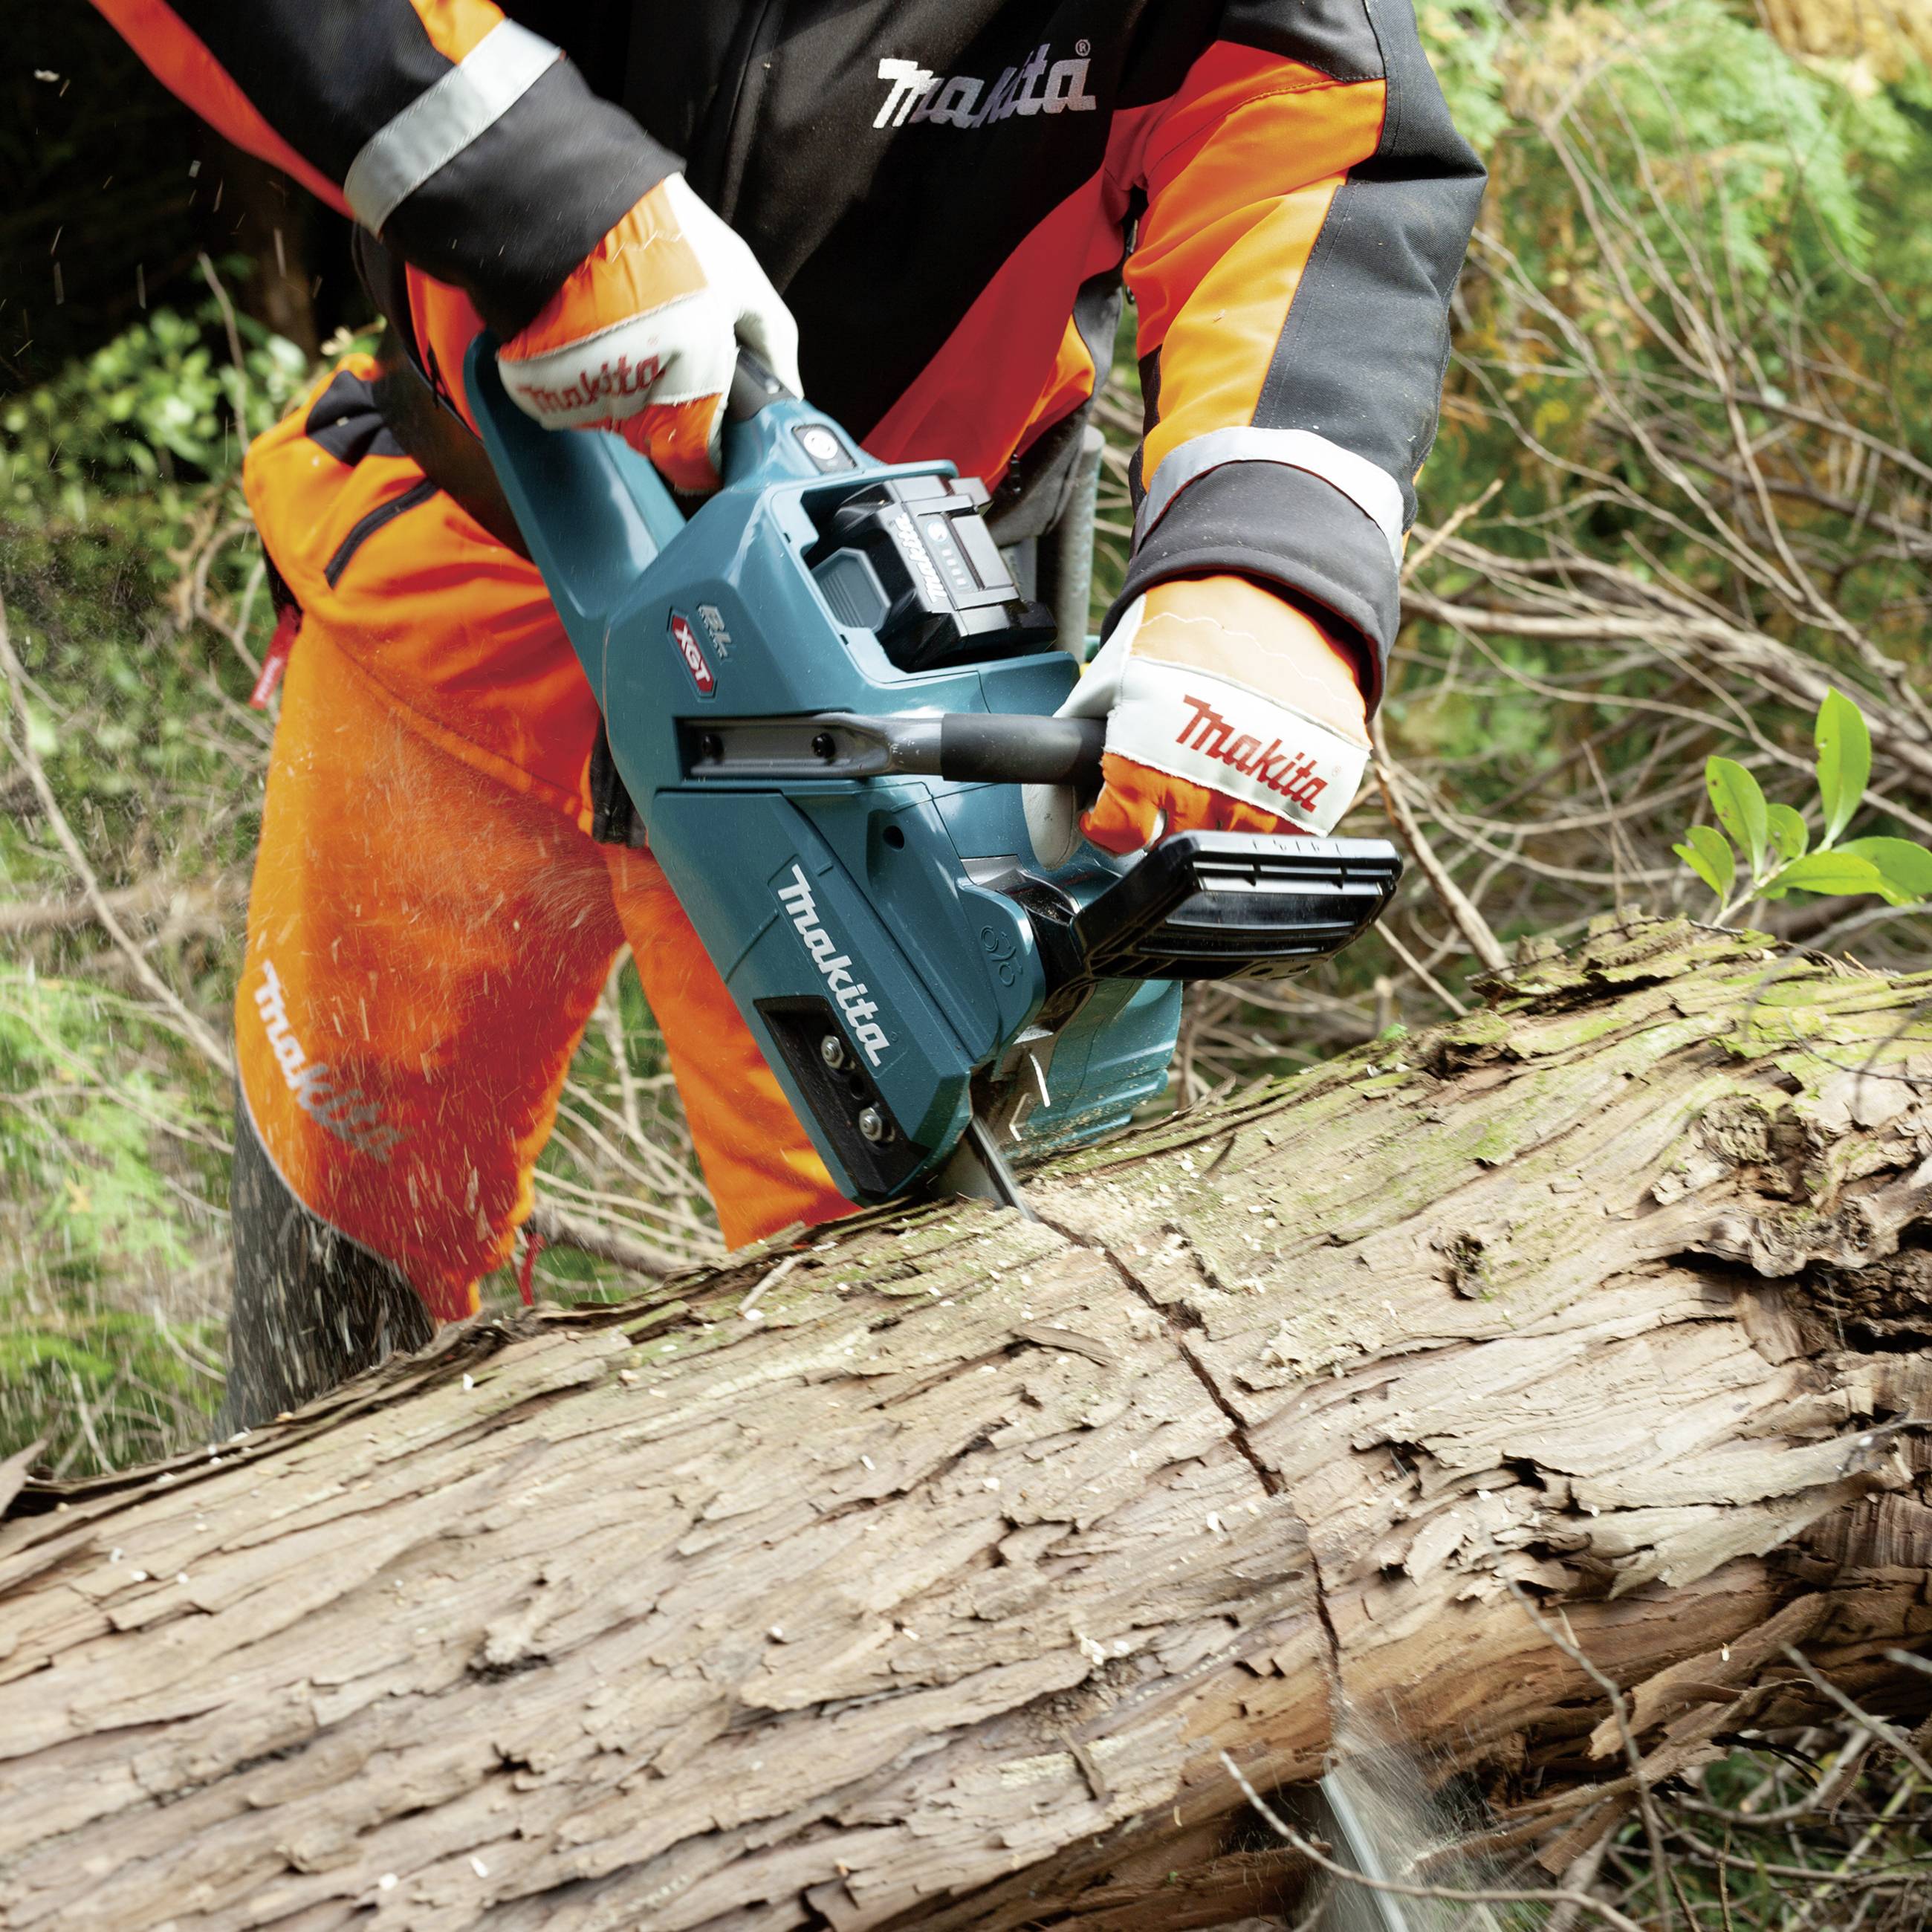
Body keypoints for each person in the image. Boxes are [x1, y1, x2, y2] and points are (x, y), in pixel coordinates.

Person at [92, 1, 1485, 1424]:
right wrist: (546, 194)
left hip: (894, 713)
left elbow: (1307, 125)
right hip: (468, 560)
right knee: (350, 1197)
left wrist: (1274, 561)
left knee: (946, 1348)